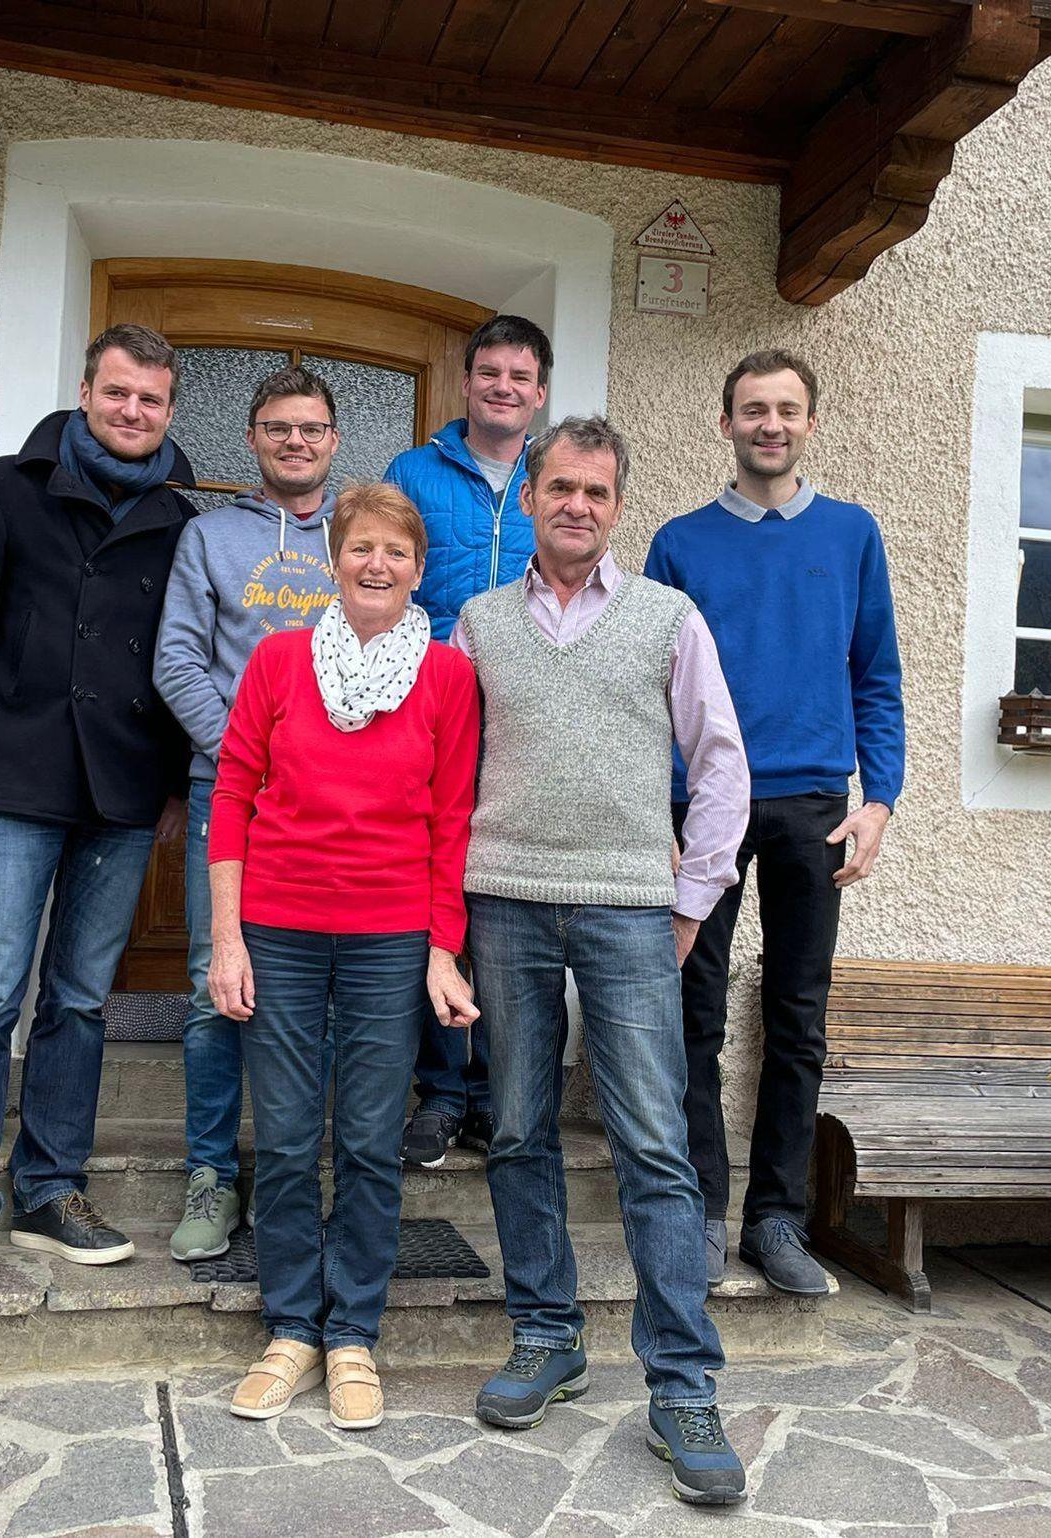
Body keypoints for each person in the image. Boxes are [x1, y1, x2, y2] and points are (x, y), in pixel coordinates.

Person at [453, 417, 753, 1506]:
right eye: (560, 488)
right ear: (529, 498)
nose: (577, 505)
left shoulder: (668, 617)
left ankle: (681, 1385)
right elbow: (448, 767)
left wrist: (693, 898)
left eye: (596, 491)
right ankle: (547, 1333)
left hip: (630, 906)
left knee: (653, 1145)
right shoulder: (479, 622)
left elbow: (721, 763)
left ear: (618, 506)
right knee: (518, 1127)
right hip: (504, 899)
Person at [0, 323, 194, 1295]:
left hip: (122, 787)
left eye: (150, 399)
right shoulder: (4, 488)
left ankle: (50, 1188)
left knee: (78, 997)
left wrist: (170, 783)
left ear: (168, 410)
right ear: (85, 392)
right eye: (118, 393)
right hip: (13, 776)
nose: (132, 411)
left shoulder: (180, 516)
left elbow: (179, 658)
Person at [206, 482, 480, 1431]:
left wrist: (443, 951)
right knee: (285, 1139)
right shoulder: (280, 661)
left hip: (389, 938)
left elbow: (451, 822)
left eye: (396, 552)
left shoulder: (446, 676)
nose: (377, 565)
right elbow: (232, 793)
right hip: (277, 929)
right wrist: (227, 939)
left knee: (367, 1140)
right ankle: (292, 1328)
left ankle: (353, 1332)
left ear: (418, 570)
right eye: (361, 547)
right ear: (335, 561)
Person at [644, 348, 905, 1295]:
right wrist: (660, 808)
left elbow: (876, 675)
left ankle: (777, 1220)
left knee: (798, 1018)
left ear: (809, 423)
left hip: (813, 805)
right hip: (703, 804)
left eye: (787, 410)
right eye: (754, 409)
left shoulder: (852, 534)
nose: (771, 425)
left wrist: (879, 801)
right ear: (727, 424)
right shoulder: (680, 543)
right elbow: (650, 689)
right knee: (693, 1013)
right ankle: (698, 1213)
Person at [154, 364, 343, 1264]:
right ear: (252, 438)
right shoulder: (208, 538)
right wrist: (245, 759)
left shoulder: (358, 534)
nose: (294, 442)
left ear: (334, 440)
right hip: (224, 790)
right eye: (277, 428)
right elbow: (177, 661)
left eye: (310, 428)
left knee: (316, 992)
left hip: (333, 804)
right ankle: (210, 1173)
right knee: (211, 984)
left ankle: (290, 1173)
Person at [383, 313, 551, 1168]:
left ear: (540, 393)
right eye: (490, 372)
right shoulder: (412, 472)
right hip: (430, 715)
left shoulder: (553, 478)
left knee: (504, 900)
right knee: (434, 892)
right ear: (467, 382)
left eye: (520, 376)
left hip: (525, 722)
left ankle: (498, 1095)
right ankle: (443, 1092)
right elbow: (385, 577)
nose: (503, 388)